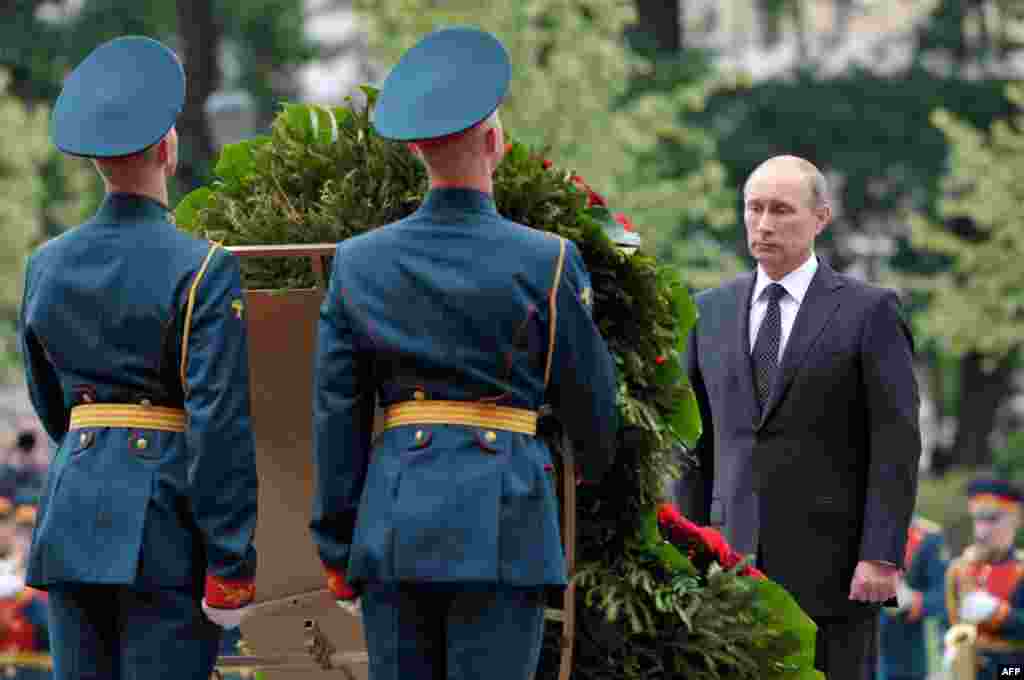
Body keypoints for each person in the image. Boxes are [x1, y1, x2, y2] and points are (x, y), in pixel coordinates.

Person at [310, 26, 619, 680]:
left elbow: (336, 414)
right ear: (495, 143)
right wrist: (587, 462)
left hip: (394, 527)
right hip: (504, 520)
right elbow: (591, 404)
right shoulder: (546, 259)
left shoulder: (359, 263)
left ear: (417, 149)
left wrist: (338, 541)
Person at [18, 36, 258, 679]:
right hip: (165, 531)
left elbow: (51, 403)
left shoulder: (45, 265)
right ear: (167, 148)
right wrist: (231, 563)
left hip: (73, 512)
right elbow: (219, 424)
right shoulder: (203, 267)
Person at [683, 155, 921, 680]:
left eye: (782, 211)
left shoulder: (870, 311)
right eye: (754, 208)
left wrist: (881, 555)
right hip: (729, 569)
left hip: (835, 574)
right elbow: (692, 446)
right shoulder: (707, 311)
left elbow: (895, 441)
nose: (764, 224)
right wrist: (687, 550)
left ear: (821, 218)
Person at [944, 478, 1024, 680]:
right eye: (978, 520)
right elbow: (947, 624)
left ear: (1016, 519)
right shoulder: (959, 568)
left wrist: (998, 613)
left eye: (992, 520)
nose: (982, 531)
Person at [877, 515, 949, 680]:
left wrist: (912, 600)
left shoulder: (928, 537)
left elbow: (944, 596)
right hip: (856, 653)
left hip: (905, 660)